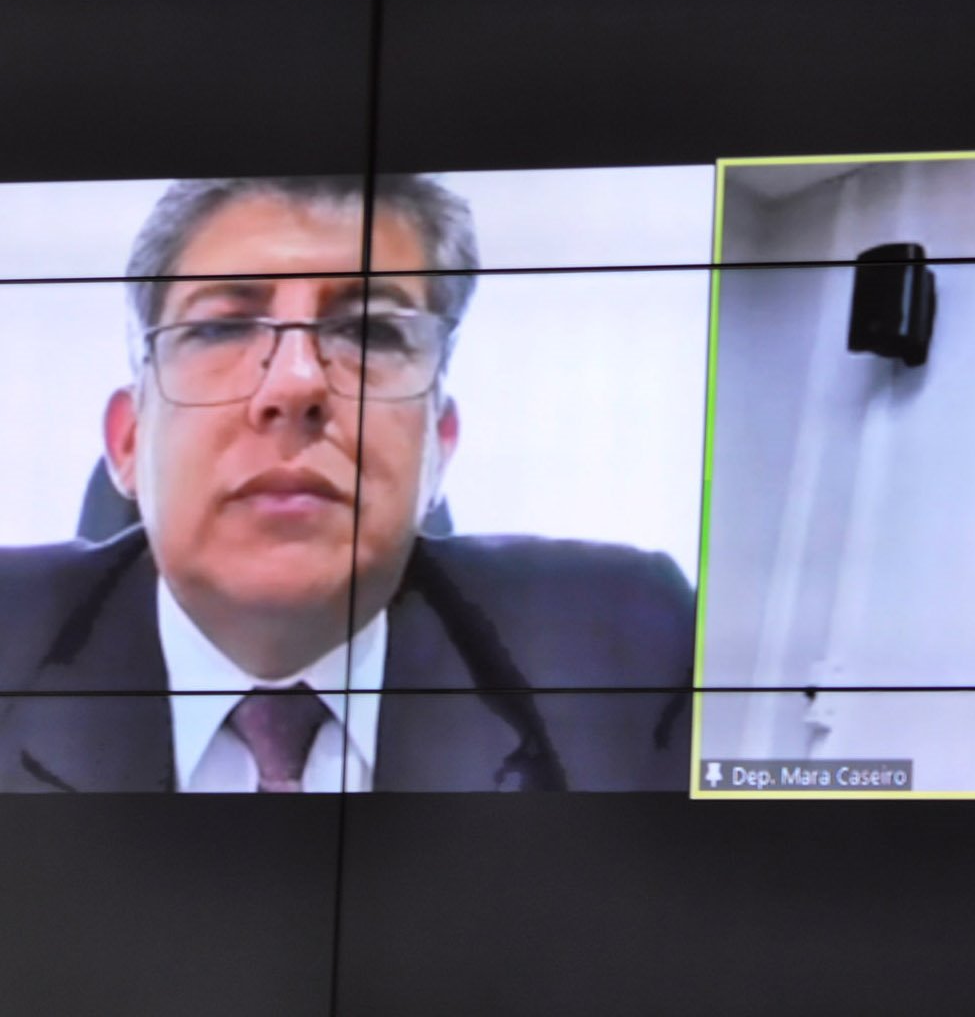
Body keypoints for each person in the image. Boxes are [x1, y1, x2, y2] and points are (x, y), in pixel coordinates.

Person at [0, 175, 694, 792]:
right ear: (128, 440)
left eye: (369, 333)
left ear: (439, 445)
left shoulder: (629, 651)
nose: (296, 383)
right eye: (223, 329)